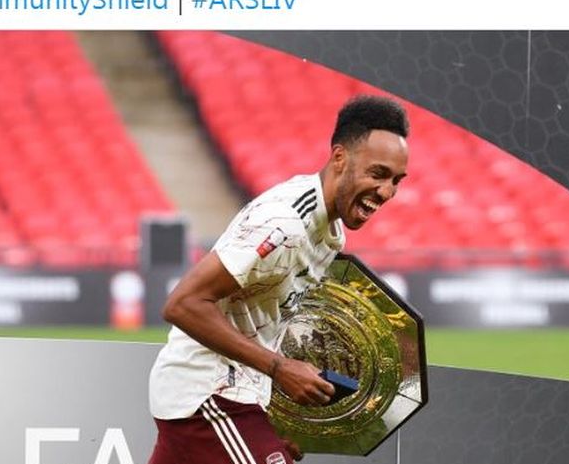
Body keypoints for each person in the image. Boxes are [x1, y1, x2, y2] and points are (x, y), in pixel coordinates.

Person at [148, 94, 410, 464]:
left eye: (396, 180)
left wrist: (270, 425)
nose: (386, 192)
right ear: (340, 158)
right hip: (210, 395)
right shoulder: (284, 224)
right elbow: (183, 304)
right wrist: (280, 369)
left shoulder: (330, 233)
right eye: (378, 174)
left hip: (231, 399)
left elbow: (263, 321)